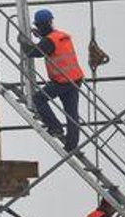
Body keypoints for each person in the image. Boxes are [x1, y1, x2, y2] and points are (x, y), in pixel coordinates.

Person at [21, 9, 85, 151]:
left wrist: (23, 44)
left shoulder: (49, 41)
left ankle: (55, 127)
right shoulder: (60, 36)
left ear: (42, 24)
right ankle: (71, 144)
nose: (38, 28)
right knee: (71, 112)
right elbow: (49, 44)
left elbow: (35, 52)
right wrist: (40, 37)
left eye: (38, 26)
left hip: (62, 81)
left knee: (39, 99)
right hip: (75, 79)